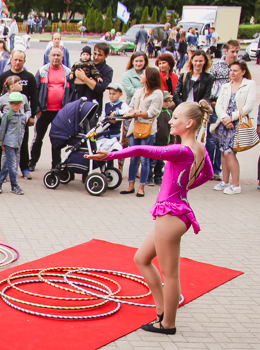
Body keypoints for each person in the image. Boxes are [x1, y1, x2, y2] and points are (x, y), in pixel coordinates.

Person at [88, 102, 214, 334]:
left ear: (189, 123)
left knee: (171, 274)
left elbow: (142, 150)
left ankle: (168, 324)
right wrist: (183, 187)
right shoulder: (199, 148)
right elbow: (209, 173)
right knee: (142, 258)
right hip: (177, 211)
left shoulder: (183, 150)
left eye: (175, 118)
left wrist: (111, 155)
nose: (170, 121)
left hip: (171, 215)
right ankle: (162, 311)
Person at [210, 61, 256, 195]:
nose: (232, 73)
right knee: (223, 151)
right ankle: (225, 181)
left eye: (236, 70)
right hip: (224, 122)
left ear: (243, 71)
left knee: (230, 152)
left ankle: (235, 184)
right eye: (231, 70)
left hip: (238, 121)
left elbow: (249, 105)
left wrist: (233, 117)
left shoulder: (249, 84)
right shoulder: (225, 86)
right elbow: (219, 105)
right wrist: (224, 118)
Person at [0, 51, 36, 181]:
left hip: (21, 121)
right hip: (6, 122)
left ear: (24, 61)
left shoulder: (29, 77)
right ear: (11, 59)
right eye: (15, 59)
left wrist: (30, 116)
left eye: (20, 60)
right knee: (2, 145)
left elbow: (33, 98)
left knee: (22, 144)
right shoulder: (4, 76)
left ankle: (24, 168)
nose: (17, 62)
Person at [121, 67, 163, 196]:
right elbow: (131, 106)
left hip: (148, 129)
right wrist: (131, 112)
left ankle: (142, 187)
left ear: (149, 77)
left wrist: (138, 113)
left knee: (145, 159)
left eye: (143, 74)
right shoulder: (139, 91)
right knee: (133, 158)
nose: (141, 76)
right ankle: (131, 185)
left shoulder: (157, 93)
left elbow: (153, 112)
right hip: (135, 127)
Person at [30, 47, 71, 171]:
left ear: (62, 58)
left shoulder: (68, 72)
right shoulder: (42, 71)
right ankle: (32, 162)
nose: (56, 58)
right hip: (44, 111)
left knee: (56, 139)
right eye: (53, 55)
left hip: (60, 112)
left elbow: (72, 92)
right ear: (49, 57)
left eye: (58, 55)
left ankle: (56, 164)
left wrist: (67, 111)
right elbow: (35, 91)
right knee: (38, 138)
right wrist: (37, 109)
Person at [207, 40, 240, 181]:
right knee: (212, 139)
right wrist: (211, 101)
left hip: (231, 109)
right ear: (225, 51)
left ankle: (218, 169)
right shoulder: (217, 66)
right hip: (217, 106)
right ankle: (208, 168)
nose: (235, 54)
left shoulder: (239, 66)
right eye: (233, 51)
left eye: (237, 52)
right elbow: (210, 83)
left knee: (225, 141)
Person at [0, 92, 28, 195]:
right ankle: (14, 185)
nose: (16, 106)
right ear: (10, 104)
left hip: (18, 143)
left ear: (22, 103)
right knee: (13, 166)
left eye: (18, 103)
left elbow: (22, 130)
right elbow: (2, 130)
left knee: (7, 165)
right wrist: (1, 143)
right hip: (9, 143)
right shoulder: (7, 115)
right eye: (13, 104)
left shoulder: (22, 116)